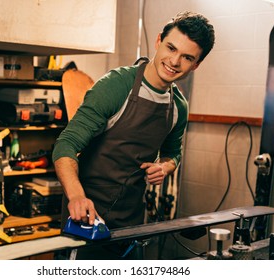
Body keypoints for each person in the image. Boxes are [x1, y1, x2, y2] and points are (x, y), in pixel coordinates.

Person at [52, 11, 215, 259]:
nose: (174, 61)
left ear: (196, 64)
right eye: (171, 48)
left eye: (187, 57)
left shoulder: (178, 107)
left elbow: (173, 153)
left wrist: (165, 167)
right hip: (84, 216)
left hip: (131, 221)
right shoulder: (115, 86)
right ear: (159, 40)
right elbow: (66, 144)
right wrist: (76, 196)